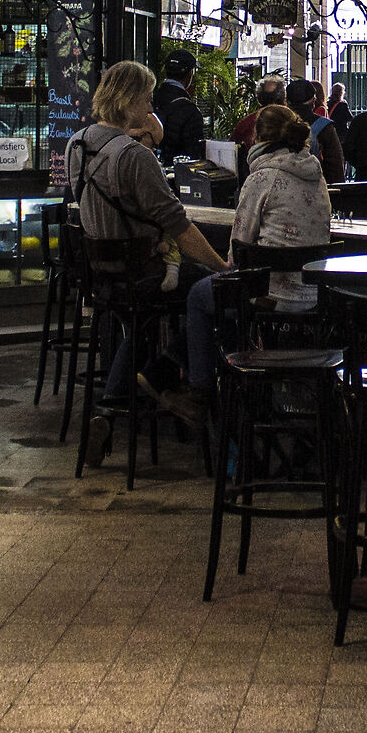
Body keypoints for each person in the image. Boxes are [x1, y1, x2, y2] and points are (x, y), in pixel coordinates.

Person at [64, 61, 231, 458]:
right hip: (146, 274)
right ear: (128, 101)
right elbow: (179, 226)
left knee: (139, 323)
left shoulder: (76, 144)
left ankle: (107, 412)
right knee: (216, 295)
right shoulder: (134, 156)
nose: (152, 104)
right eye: (147, 97)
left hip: (103, 276)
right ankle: (180, 387)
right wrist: (220, 266)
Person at [183, 104, 334, 396]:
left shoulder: (260, 179)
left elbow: (237, 253)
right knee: (222, 298)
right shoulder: (317, 176)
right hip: (314, 296)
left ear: (258, 139)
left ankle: (202, 394)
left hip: (270, 297)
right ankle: (236, 383)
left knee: (199, 296)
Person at [283, 79, 346, 183]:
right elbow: (335, 164)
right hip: (315, 187)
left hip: (282, 188)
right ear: (313, 101)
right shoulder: (324, 127)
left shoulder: (277, 125)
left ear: (286, 101)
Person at [152, 50, 209, 161]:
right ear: (189, 74)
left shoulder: (150, 100)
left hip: (154, 166)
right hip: (177, 173)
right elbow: (194, 153)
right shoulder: (190, 111)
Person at [230, 76, 283, 146]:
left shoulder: (247, 122)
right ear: (284, 97)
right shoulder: (290, 120)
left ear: (259, 98)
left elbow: (232, 146)